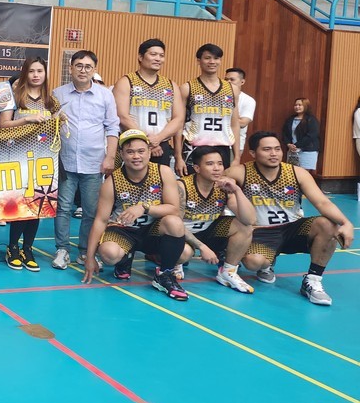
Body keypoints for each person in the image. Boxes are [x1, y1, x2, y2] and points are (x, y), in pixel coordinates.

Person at [224, 131, 354, 305]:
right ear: (253, 153)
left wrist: (346, 222)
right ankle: (267, 264)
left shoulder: (297, 173)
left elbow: (322, 202)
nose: (274, 154)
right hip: (261, 233)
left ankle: (313, 280)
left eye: (277, 149)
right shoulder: (239, 172)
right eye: (267, 149)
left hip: (292, 229)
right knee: (254, 262)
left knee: (328, 225)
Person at [82, 129, 189, 301]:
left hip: (152, 230)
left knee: (182, 246)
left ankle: (164, 275)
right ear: (122, 155)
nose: (136, 156)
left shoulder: (163, 172)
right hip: (124, 230)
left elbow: (174, 209)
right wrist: (90, 257)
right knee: (109, 253)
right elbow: (100, 220)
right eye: (130, 152)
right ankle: (125, 258)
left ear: (149, 152)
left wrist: (144, 208)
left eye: (141, 151)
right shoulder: (112, 181)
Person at [51, 50, 120, 269]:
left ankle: (84, 251)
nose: (83, 70)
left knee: (91, 211)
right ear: (70, 68)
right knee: (63, 208)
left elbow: (113, 127)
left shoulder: (105, 95)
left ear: (94, 70)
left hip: (94, 163)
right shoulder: (57, 94)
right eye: (79, 66)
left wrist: (110, 157)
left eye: (88, 66)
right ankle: (62, 249)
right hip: (65, 162)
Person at [0, 56, 60, 272]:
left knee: (38, 205)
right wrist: (26, 119)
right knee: (21, 205)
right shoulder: (14, 96)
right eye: (32, 71)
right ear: (25, 73)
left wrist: (61, 122)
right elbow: (3, 124)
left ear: (45, 74)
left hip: (44, 160)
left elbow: (57, 128)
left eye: (40, 71)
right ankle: (13, 248)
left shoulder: (51, 101)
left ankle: (28, 248)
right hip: (19, 158)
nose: (36, 75)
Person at [176, 146, 255, 293]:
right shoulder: (182, 186)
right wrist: (202, 247)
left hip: (209, 230)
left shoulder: (223, 187)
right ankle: (175, 263)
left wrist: (237, 190)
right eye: (210, 164)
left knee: (244, 227)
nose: (217, 168)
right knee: (184, 253)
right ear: (197, 168)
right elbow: (175, 225)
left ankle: (228, 272)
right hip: (182, 234)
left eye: (220, 164)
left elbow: (250, 219)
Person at [113, 39, 184, 167]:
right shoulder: (126, 82)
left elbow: (178, 119)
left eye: (161, 55)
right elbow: (122, 116)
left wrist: (158, 139)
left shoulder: (171, 85)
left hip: (161, 146)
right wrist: (145, 140)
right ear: (140, 57)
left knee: (160, 179)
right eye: (153, 54)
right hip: (131, 143)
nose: (158, 59)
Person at [175, 43, 240, 176]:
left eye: (216, 58)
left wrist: (237, 157)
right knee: (192, 184)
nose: (212, 62)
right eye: (207, 58)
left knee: (219, 186)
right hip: (194, 147)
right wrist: (178, 156)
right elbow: (179, 124)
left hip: (222, 147)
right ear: (199, 60)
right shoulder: (187, 88)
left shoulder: (232, 89)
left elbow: (234, 124)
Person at [282, 98, 321, 174]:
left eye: (300, 105)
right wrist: (288, 144)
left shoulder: (311, 120)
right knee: (292, 173)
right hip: (292, 151)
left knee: (303, 174)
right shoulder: (290, 119)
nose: (297, 107)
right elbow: (285, 133)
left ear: (306, 106)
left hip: (307, 151)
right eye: (295, 105)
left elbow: (311, 135)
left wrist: (296, 145)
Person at [224, 68, 256, 152]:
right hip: (214, 142)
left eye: (232, 79)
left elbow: (243, 123)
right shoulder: (218, 97)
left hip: (234, 145)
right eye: (226, 79)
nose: (228, 82)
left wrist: (221, 118)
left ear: (242, 82)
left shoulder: (248, 100)